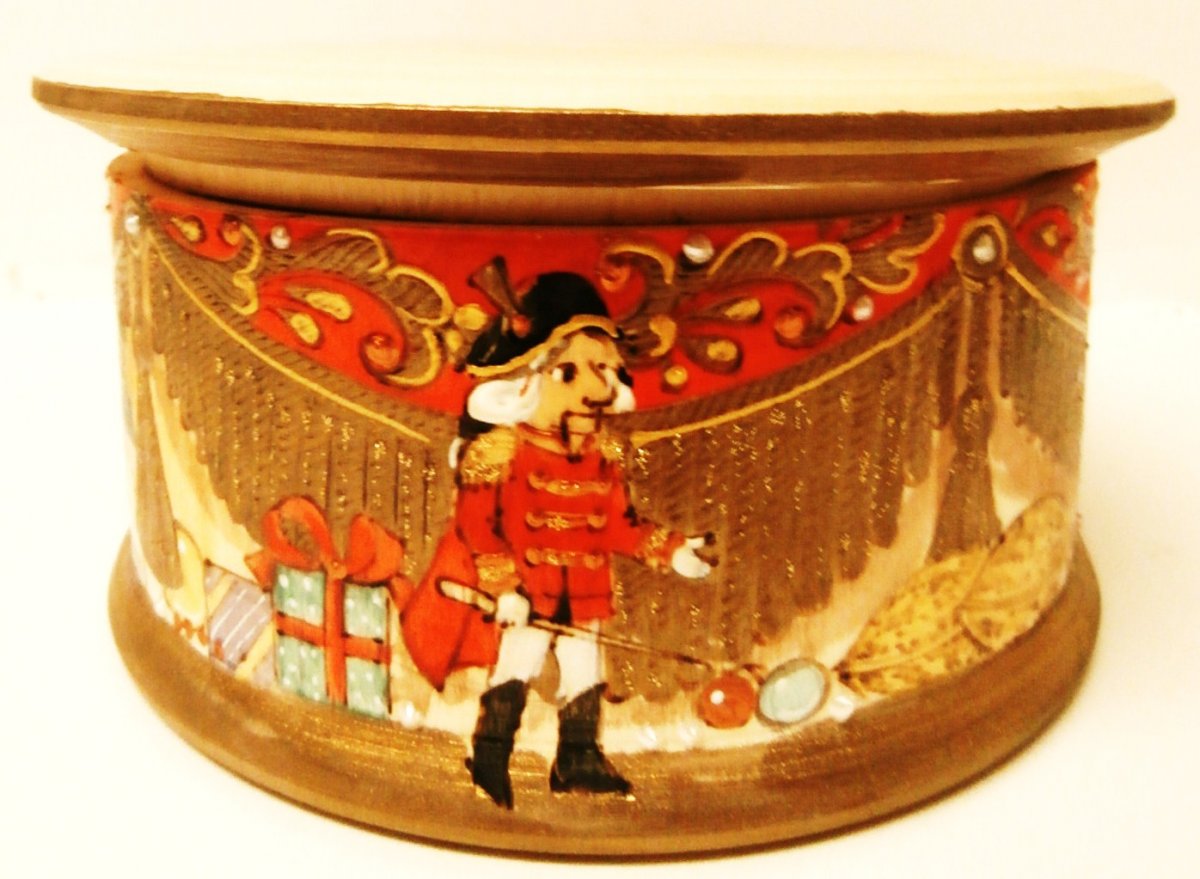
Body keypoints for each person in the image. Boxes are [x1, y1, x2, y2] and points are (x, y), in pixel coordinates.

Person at [401, 266, 712, 808]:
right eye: (571, 373)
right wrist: (505, 590)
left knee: (584, 671)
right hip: (530, 591)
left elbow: (620, 525)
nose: (599, 389)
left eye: (605, 370)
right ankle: (489, 758)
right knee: (516, 666)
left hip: (585, 588)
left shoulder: (602, 456)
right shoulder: (500, 453)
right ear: (525, 384)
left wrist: (672, 550)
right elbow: (478, 528)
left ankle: (577, 760)